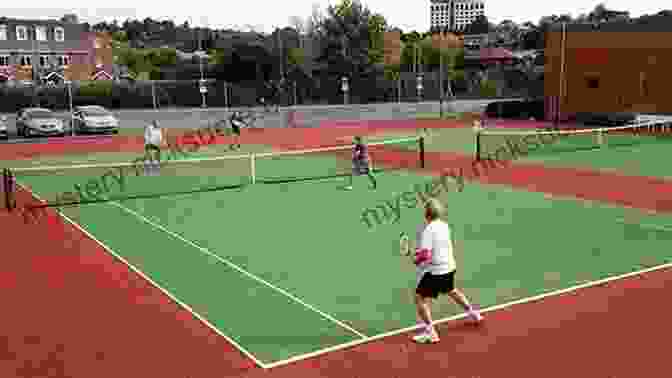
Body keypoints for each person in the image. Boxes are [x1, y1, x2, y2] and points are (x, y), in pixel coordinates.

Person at [412, 197, 483, 344]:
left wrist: (417, 259)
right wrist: (421, 255)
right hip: (449, 266)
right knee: (451, 290)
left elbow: (426, 254)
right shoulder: (445, 226)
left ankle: (430, 332)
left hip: (437, 271)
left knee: (419, 298)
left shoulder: (428, 230)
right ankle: (474, 313)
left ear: (426, 214)